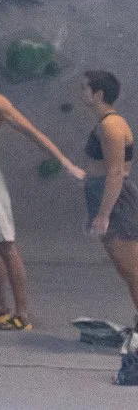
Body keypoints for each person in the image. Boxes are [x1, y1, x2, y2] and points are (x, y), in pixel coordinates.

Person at [0, 45, 85, 331]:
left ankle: (22, 315)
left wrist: (65, 163)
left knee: (5, 244)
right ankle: (0, 307)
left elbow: (32, 132)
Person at [81, 69, 138, 333]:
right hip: (104, 195)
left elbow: (116, 171)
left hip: (115, 201)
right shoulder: (105, 124)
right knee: (128, 270)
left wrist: (103, 215)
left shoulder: (111, 125)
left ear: (99, 94)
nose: (82, 93)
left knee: (132, 270)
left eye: (85, 88)